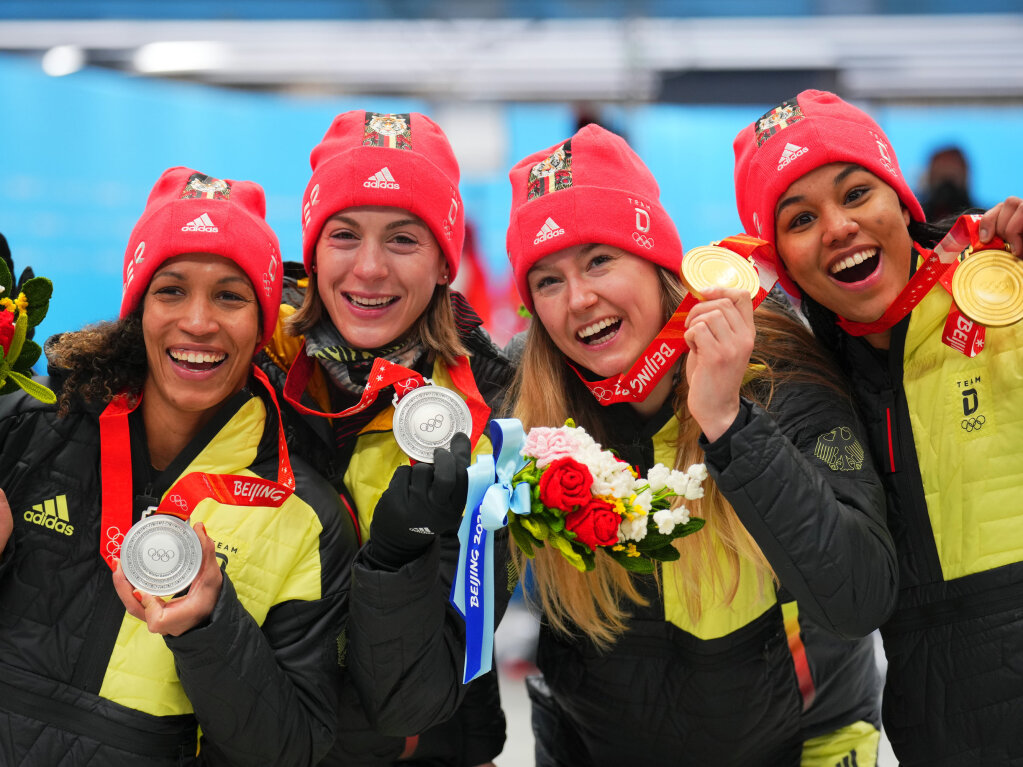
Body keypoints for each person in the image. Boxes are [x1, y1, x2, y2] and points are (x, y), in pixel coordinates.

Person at [503, 124, 897, 765]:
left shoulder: (771, 365)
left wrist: (728, 422)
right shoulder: (531, 401)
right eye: (547, 281)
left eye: (600, 259)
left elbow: (859, 597)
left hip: (798, 746)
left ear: (657, 262)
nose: (579, 299)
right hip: (593, 745)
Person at [0, 167, 358, 766]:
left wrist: (210, 629)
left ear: (264, 322)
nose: (198, 321)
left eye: (230, 296)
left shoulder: (306, 518)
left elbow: (292, 751)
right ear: (138, 308)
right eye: (171, 290)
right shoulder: (26, 424)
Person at [733, 89, 1023, 765]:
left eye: (856, 192)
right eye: (799, 217)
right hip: (936, 736)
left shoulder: (1000, 298)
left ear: (902, 200)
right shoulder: (806, 379)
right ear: (780, 258)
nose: (836, 226)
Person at [258, 111, 516, 766]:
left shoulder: (494, 411)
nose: (368, 268)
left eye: (403, 239)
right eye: (343, 234)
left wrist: (406, 551)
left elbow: (428, 682)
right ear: (311, 253)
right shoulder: (249, 366)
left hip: (426, 743)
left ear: (442, 264)